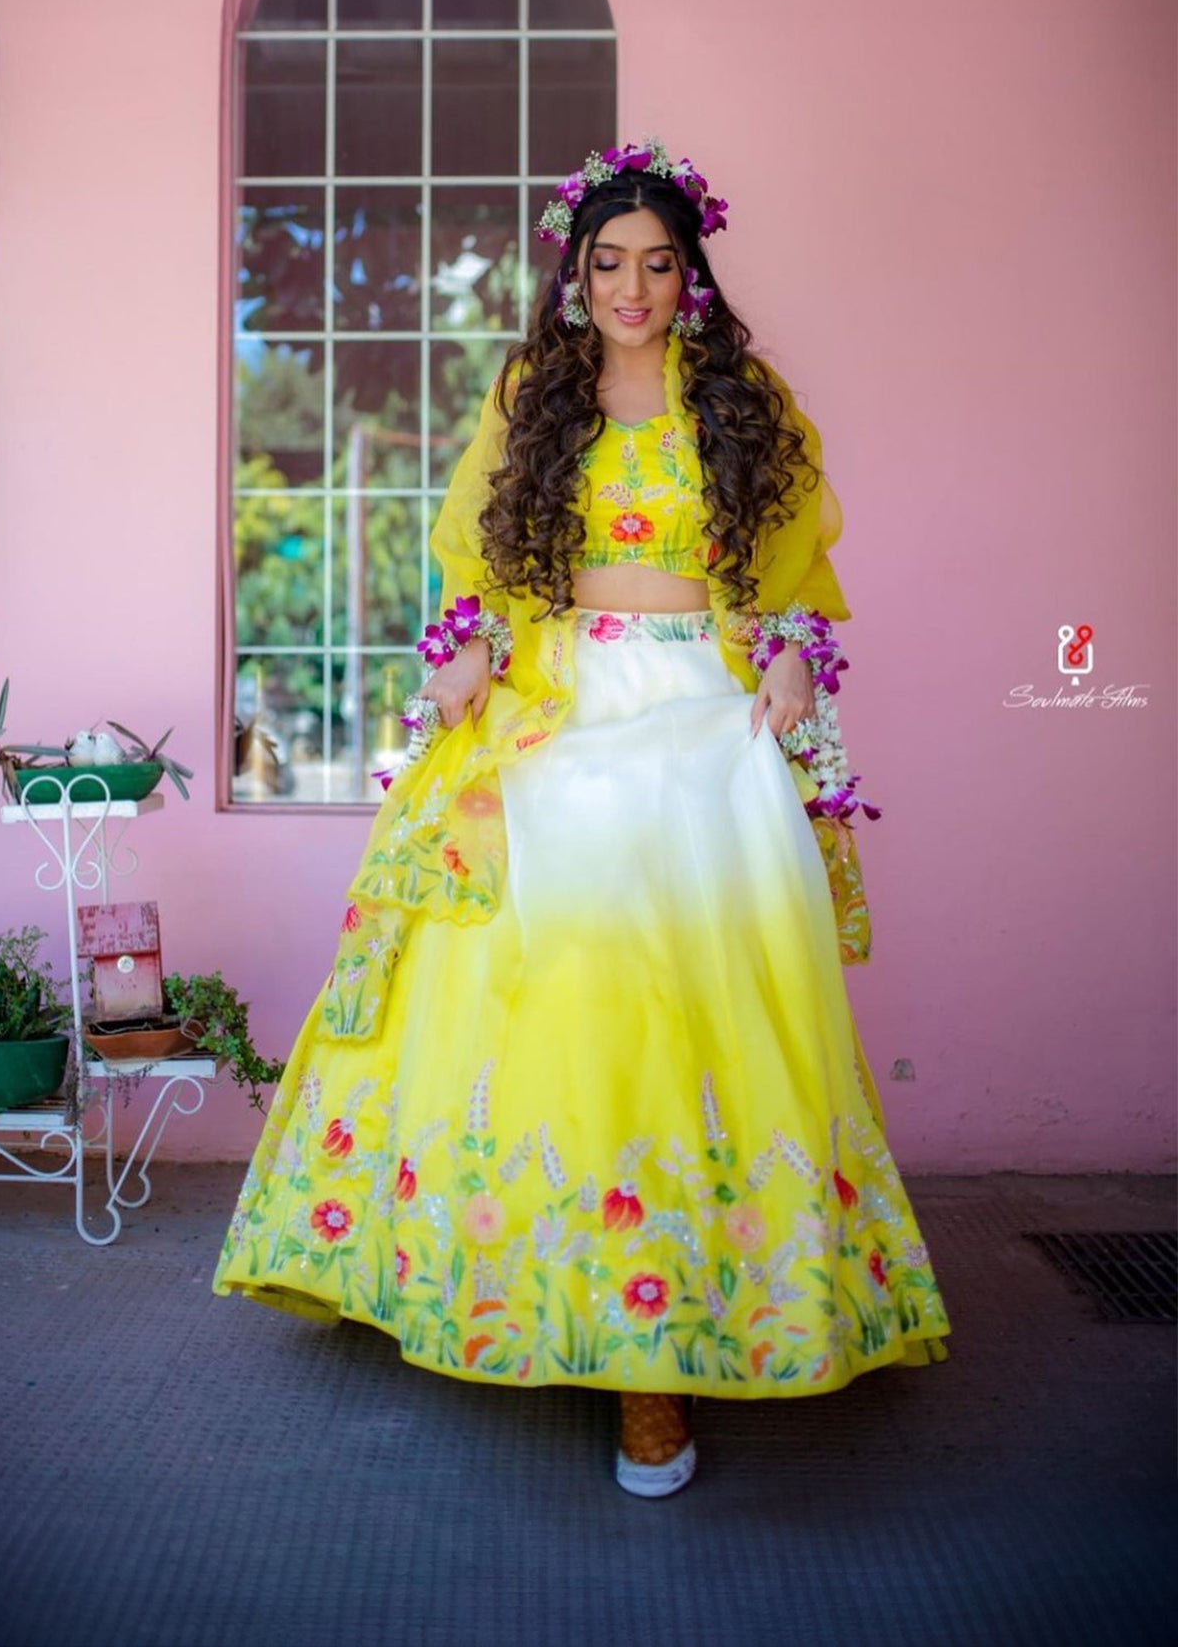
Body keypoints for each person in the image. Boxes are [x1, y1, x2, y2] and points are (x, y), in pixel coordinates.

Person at [213, 138, 951, 1499]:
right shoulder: (529, 394)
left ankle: (669, 1358)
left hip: (700, 712)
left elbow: (789, 557)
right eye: (609, 262)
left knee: (713, 991)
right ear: (577, 274)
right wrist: (465, 650)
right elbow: (478, 554)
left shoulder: (741, 398)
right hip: (561, 702)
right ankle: (540, 1303)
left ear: (691, 275)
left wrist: (789, 651)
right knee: (555, 988)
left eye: (658, 263)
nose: (633, 285)